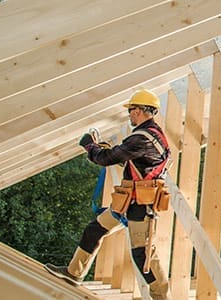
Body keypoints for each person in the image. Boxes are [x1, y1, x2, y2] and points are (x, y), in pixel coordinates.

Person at [45, 89, 170, 299]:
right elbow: (137, 164)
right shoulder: (153, 135)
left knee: (143, 255)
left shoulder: (142, 138)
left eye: (131, 110)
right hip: (128, 201)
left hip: (140, 206)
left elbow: (105, 158)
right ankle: (74, 273)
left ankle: (162, 296)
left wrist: (90, 146)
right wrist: (112, 152)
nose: (129, 115)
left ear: (139, 110)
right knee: (95, 229)